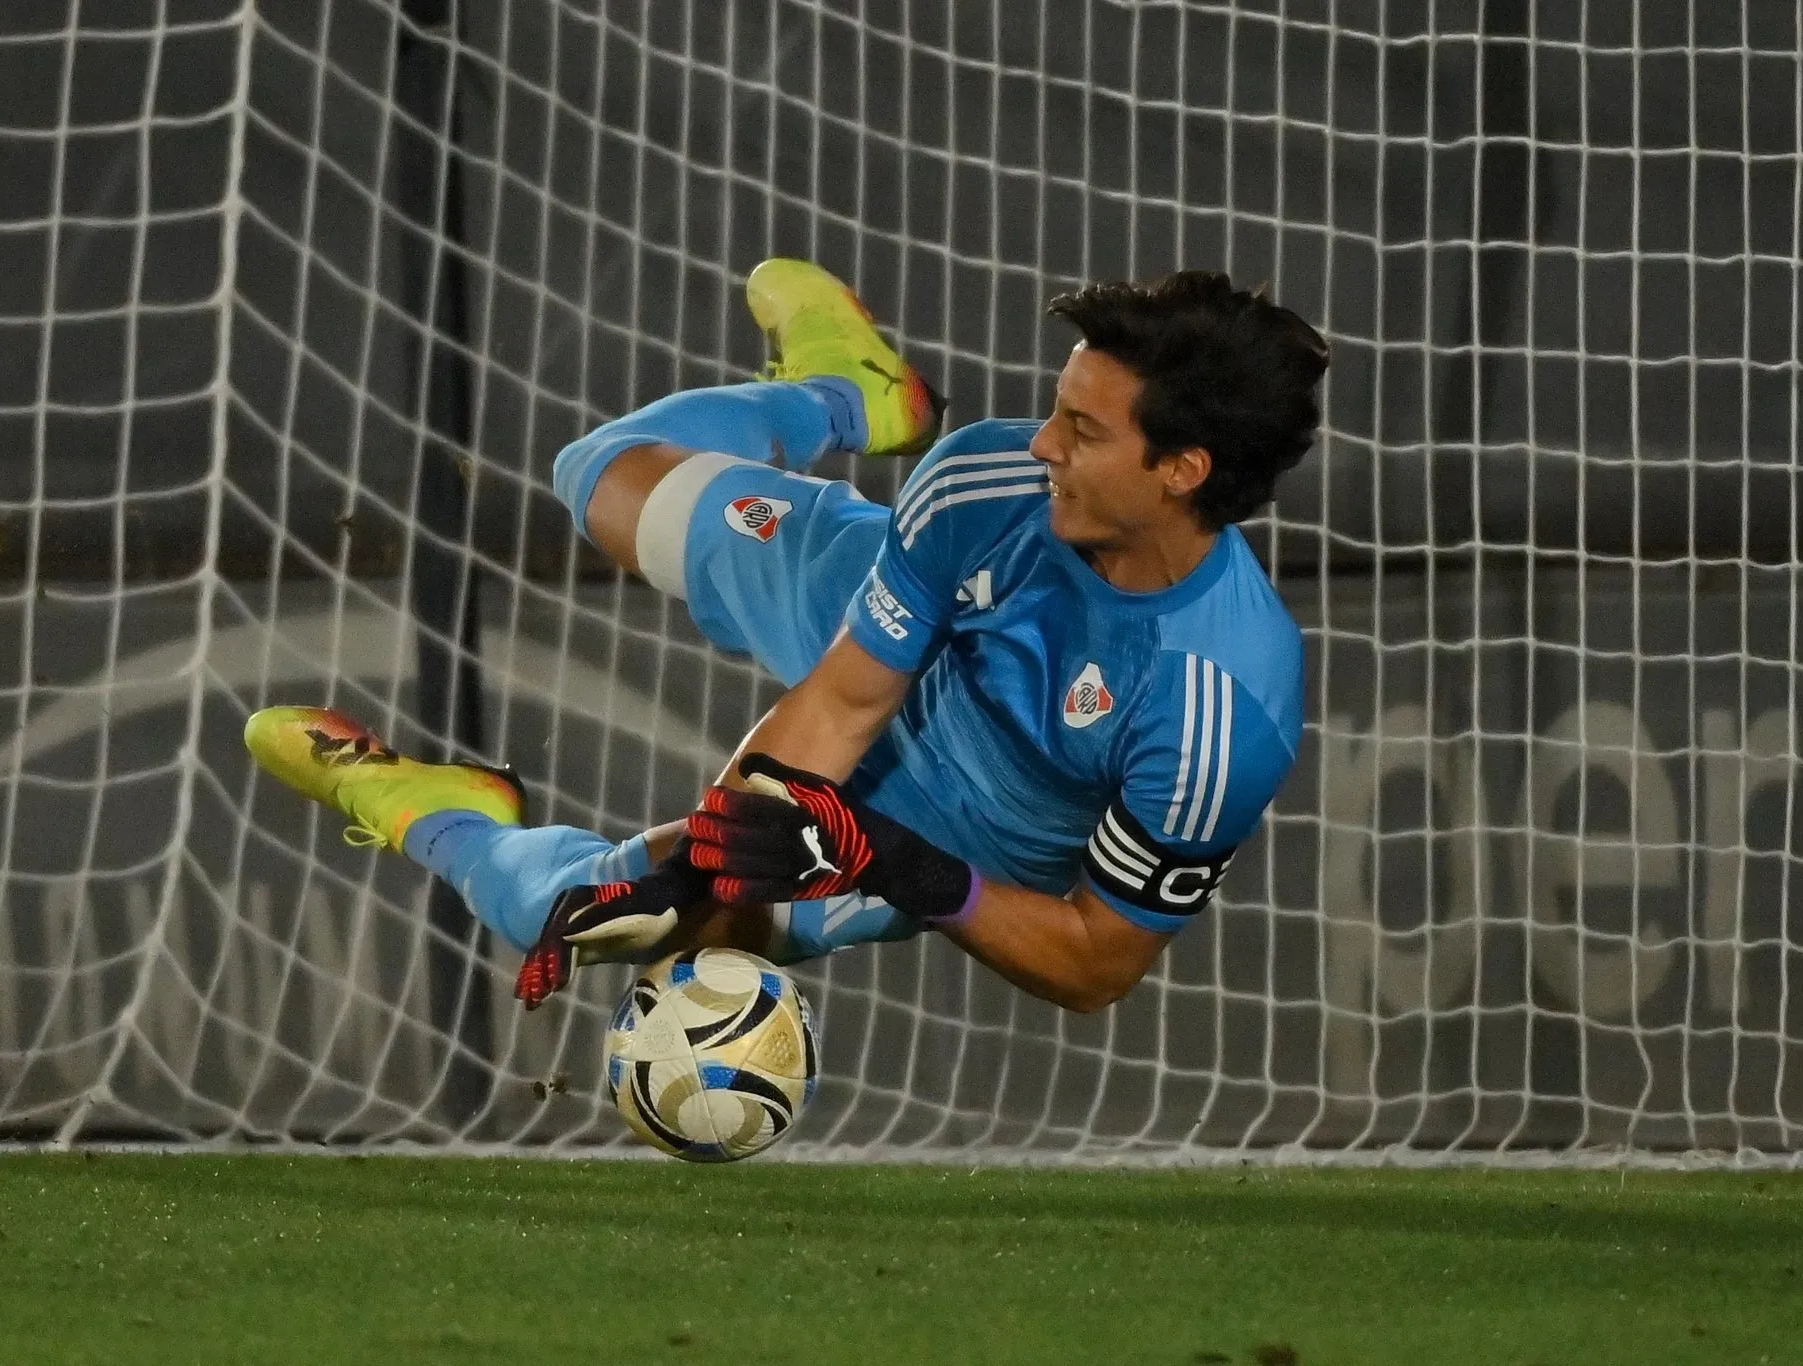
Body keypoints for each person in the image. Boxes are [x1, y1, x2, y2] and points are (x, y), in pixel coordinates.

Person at [243, 258, 1326, 1014]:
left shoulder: (1217, 711)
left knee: (607, 922)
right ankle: (844, 394)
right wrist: (721, 852)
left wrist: (898, 864)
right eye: (1055, 407)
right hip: (879, 613)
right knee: (602, 476)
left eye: (1081, 430)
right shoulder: (991, 478)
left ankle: (437, 815)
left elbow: (1095, 964)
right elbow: (846, 700)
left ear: (1182, 469)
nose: (1038, 438)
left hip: (951, 827)